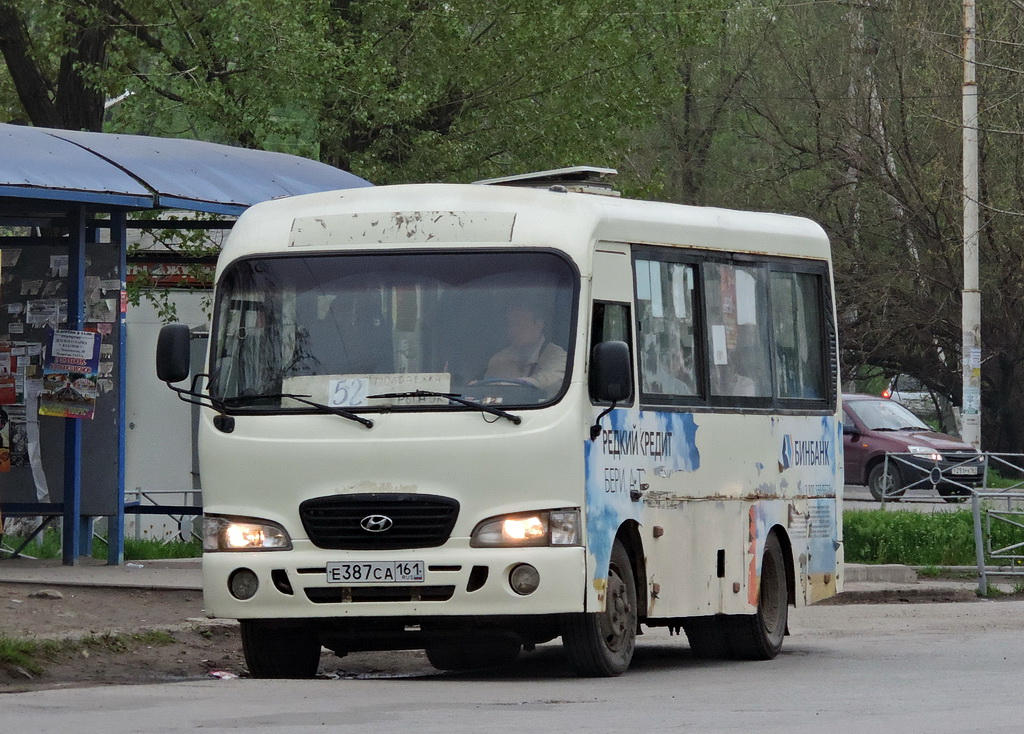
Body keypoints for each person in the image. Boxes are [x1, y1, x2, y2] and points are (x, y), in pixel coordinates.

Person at [482, 304, 567, 394]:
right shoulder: (499, 359)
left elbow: (544, 383)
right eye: (509, 324)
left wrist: (501, 385)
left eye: (519, 324)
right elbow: (486, 392)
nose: (512, 330)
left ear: (539, 325)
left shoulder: (558, 357)